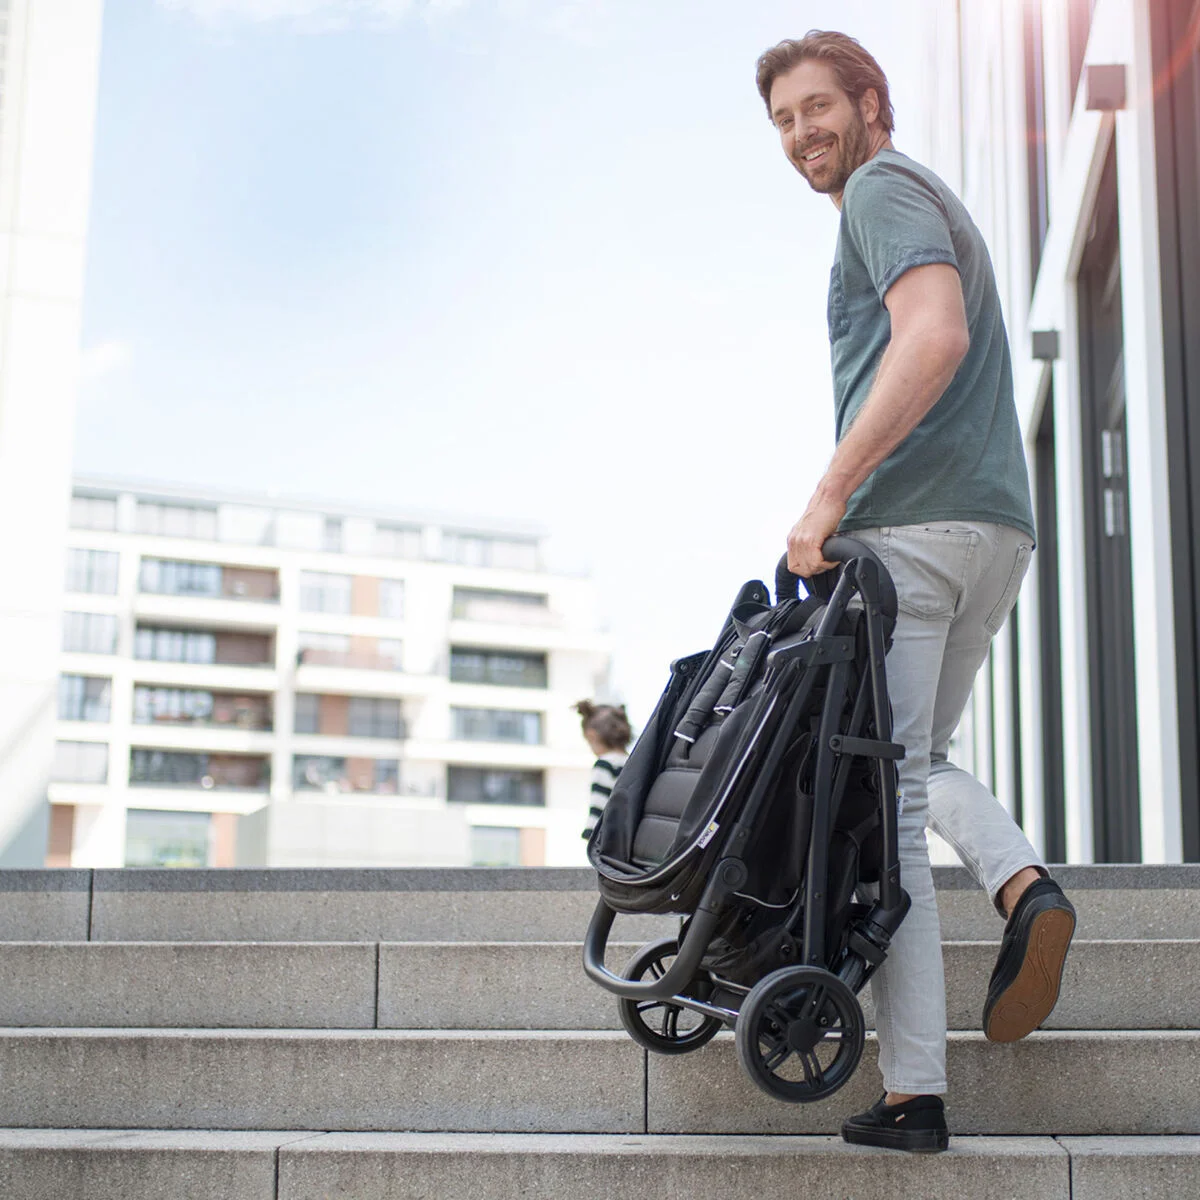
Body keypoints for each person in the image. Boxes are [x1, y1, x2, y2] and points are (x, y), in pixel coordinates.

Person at [755, 31, 1076, 1153]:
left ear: (870, 102)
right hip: (996, 528)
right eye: (784, 121)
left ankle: (915, 1092)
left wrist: (828, 494)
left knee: (881, 813)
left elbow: (931, 336)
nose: (801, 135)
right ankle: (1021, 884)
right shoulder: (925, 195)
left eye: (816, 109)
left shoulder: (883, 191)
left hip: (913, 533)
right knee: (920, 760)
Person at [575, 700, 632, 840]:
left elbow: (599, 803)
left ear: (591, 735)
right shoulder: (633, 761)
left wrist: (590, 835)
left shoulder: (605, 764)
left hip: (610, 838)